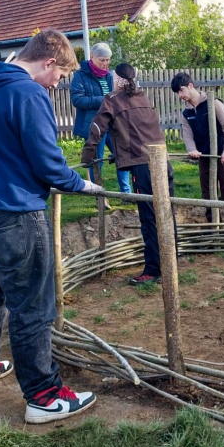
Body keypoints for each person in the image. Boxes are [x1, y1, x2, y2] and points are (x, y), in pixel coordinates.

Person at [0, 30, 100, 424]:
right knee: (32, 307)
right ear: (48, 62)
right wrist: (82, 184)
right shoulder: (28, 93)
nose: (58, 85)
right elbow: (48, 163)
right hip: (13, 215)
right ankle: (44, 396)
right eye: (60, 76)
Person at [82, 63, 176, 284]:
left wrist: (87, 156)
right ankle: (172, 261)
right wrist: (120, 153)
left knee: (149, 217)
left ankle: (153, 270)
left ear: (117, 80)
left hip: (143, 166)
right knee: (166, 213)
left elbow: (98, 128)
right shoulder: (144, 98)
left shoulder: (113, 99)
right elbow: (139, 131)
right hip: (163, 161)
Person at [170, 72, 224, 223]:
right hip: (204, 156)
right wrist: (192, 149)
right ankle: (214, 228)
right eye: (177, 92)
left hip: (223, 155)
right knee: (207, 194)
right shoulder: (186, 112)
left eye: (181, 90)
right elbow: (187, 135)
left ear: (190, 86)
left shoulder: (213, 103)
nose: (180, 95)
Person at [70, 42, 131, 194]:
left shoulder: (111, 76)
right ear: (92, 57)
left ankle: (127, 194)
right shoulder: (81, 75)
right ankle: (98, 194)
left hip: (113, 124)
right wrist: (104, 99)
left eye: (108, 60)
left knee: (122, 156)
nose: (106, 63)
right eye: (102, 60)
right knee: (97, 162)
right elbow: (77, 100)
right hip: (95, 125)